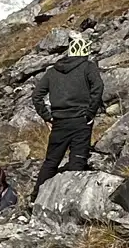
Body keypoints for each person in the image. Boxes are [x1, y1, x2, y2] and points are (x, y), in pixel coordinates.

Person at [31, 31, 105, 194]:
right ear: (85, 51)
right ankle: (71, 198)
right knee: (77, 159)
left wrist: (47, 117)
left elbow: (36, 96)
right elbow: (98, 88)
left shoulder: (52, 71)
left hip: (59, 122)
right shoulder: (88, 67)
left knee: (51, 161)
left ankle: (36, 196)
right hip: (81, 120)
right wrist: (90, 113)